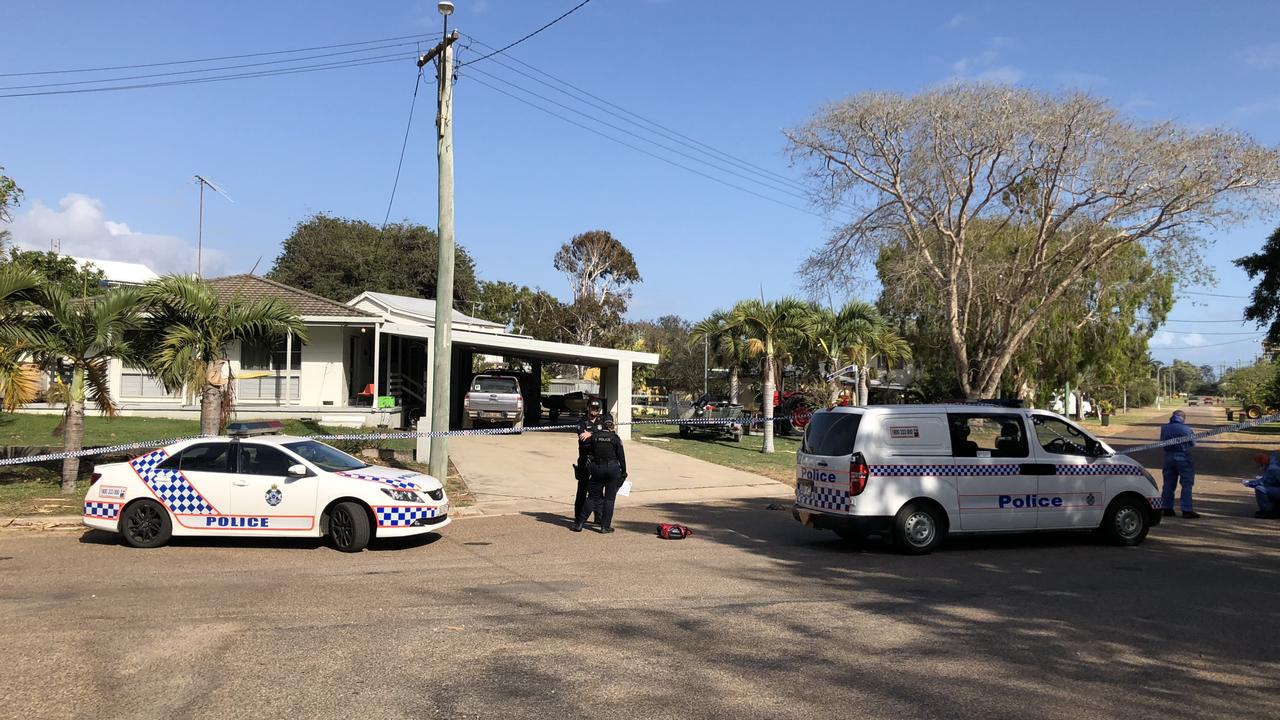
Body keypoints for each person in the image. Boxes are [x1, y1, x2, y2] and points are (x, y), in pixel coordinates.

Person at [573, 414, 627, 534]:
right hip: (612, 469)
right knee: (609, 499)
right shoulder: (615, 438)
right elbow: (621, 458)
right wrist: (623, 472)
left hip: (597, 469)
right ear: (612, 424)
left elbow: (588, 452)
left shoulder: (594, 437)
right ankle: (605, 526)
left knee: (592, 498)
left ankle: (579, 523)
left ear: (601, 424)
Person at [1159, 410, 1199, 519]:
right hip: (1183, 456)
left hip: (1168, 457)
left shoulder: (1164, 428)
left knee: (1168, 483)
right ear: (1183, 418)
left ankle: (1167, 508)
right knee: (1186, 484)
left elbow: (1162, 441)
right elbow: (1192, 443)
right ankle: (1186, 510)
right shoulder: (1186, 429)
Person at [573, 398, 603, 525]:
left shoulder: (602, 421)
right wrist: (597, 435)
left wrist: (591, 434)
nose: (594, 411)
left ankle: (598, 517)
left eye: (596, 409)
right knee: (582, 490)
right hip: (585, 460)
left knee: (598, 490)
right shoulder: (581, 423)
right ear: (588, 408)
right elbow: (583, 439)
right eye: (592, 408)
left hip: (598, 460)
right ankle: (578, 518)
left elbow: (606, 435)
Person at [1245, 452, 1280, 519]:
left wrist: (1249, 483)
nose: (1260, 466)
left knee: (1260, 489)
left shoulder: (1272, 468)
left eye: (1260, 464)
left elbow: (1263, 482)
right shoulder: (1275, 462)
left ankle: (1268, 512)